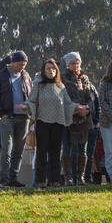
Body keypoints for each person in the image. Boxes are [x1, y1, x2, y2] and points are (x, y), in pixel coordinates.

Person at [20, 58, 87, 186]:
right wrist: (26, 107)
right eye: (48, 68)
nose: (51, 71)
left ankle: (54, 180)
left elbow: (67, 104)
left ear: (56, 71)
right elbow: (32, 101)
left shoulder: (60, 86)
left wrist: (78, 108)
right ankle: (40, 181)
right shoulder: (38, 86)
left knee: (55, 153)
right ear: (43, 71)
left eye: (53, 69)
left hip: (58, 123)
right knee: (42, 152)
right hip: (42, 123)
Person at [0, 50, 32, 187]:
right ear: (12, 62)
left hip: (24, 118)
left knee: (19, 150)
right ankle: (4, 180)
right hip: (7, 117)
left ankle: (14, 178)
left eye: (24, 64)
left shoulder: (26, 76)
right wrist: (2, 113)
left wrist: (29, 108)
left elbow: (31, 95)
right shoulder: (0, 76)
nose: (22, 67)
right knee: (6, 149)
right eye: (20, 64)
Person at [61, 52, 100, 185]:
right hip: (69, 118)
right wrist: (77, 109)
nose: (76, 65)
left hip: (85, 119)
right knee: (68, 148)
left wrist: (87, 109)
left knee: (83, 149)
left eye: (77, 62)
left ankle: (80, 177)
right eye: (73, 63)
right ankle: (68, 177)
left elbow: (91, 97)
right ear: (68, 65)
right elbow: (64, 98)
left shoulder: (85, 78)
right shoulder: (62, 78)